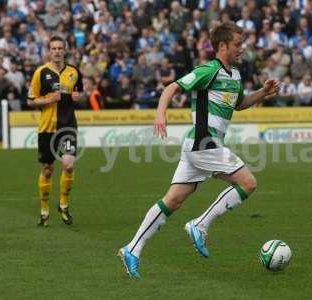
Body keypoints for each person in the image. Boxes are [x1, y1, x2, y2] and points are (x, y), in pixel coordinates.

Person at [117, 22, 280, 278]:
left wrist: (262, 93)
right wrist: (160, 113)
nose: (241, 49)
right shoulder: (208, 70)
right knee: (248, 183)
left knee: (173, 200)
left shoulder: (234, 75)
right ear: (222, 45)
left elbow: (239, 104)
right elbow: (172, 87)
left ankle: (132, 248)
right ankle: (200, 224)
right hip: (205, 143)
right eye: (237, 44)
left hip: (200, 146)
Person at [27, 36, 83, 227]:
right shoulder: (40, 72)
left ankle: (64, 204)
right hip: (47, 127)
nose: (57, 51)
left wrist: (78, 96)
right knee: (48, 170)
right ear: (49, 51)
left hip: (67, 126)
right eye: (53, 48)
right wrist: (48, 100)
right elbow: (30, 100)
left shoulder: (74, 72)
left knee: (68, 165)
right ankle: (44, 211)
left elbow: (79, 92)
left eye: (60, 48)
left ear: (65, 50)